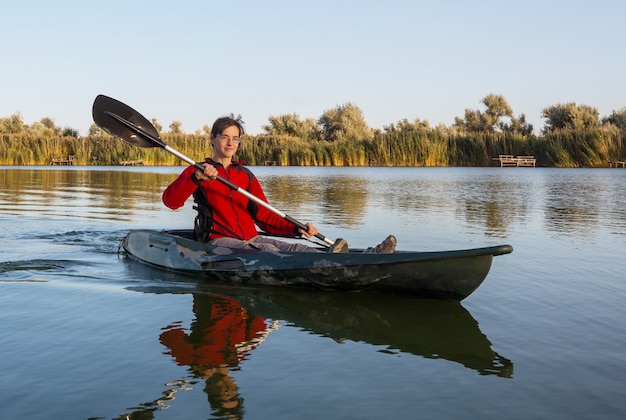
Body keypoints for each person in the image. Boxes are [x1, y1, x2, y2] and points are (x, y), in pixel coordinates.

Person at [162, 114, 396, 254]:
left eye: (235, 138)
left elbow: (265, 216)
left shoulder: (245, 175)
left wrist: (297, 228)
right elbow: (170, 201)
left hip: (251, 239)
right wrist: (196, 178)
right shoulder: (198, 171)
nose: (230, 142)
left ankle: (367, 256)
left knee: (299, 249)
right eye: (224, 137)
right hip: (218, 242)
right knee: (269, 250)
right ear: (212, 138)